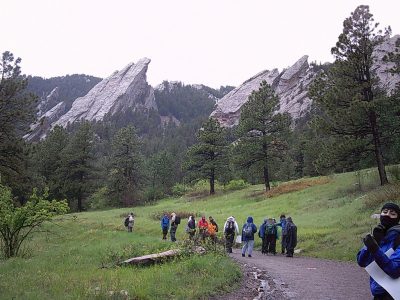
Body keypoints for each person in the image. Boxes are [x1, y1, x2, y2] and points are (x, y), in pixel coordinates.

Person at [357, 202, 400, 300]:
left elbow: (394, 270)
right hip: (378, 293)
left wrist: (375, 249)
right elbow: (361, 261)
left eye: (392, 213)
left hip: (394, 294)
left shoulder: (398, 239)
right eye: (385, 212)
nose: (387, 215)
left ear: (398, 218)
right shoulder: (378, 234)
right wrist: (374, 241)